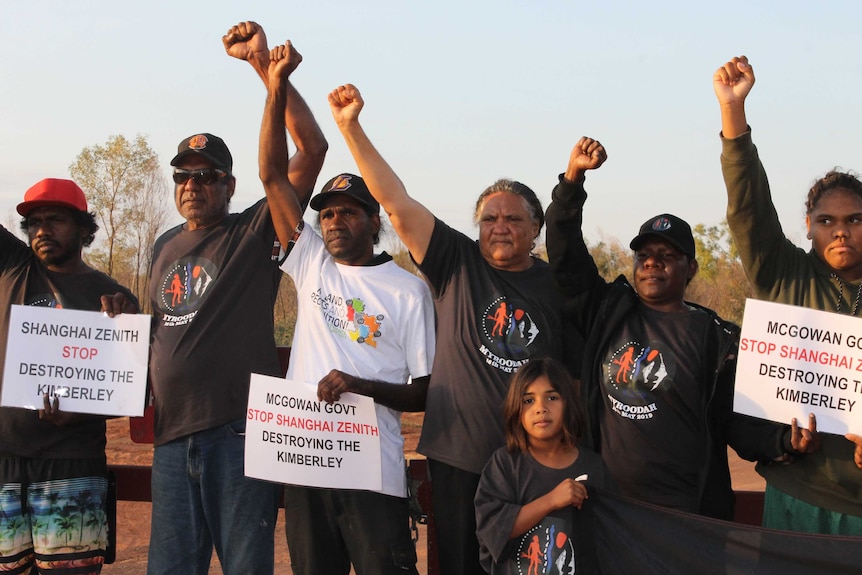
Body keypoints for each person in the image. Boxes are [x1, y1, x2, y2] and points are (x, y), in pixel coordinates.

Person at [328, 84, 566, 574]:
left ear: (536, 228)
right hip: (461, 456)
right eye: (489, 218)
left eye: (513, 219)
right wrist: (351, 127)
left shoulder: (557, 286)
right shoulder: (455, 260)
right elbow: (393, 201)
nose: (499, 226)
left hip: (533, 457)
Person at [544, 137, 815, 520]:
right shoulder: (606, 313)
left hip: (689, 518)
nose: (653, 263)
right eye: (645, 255)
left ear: (690, 269)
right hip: (608, 510)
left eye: (667, 256)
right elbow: (565, 253)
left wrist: (784, 439)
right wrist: (572, 181)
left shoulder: (717, 337)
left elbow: (735, 418)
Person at [145, 22, 327, 575]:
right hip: (172, 440)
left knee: (247, 567)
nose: (192, 185)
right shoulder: (162, 246)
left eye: (207, 176)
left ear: (229, 186)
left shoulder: (254, 232)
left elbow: (312, 148)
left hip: (237, 434)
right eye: (184, 176)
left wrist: (262, 66)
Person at [258, 42, 436, 575]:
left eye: (349, 213)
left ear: (373, 221)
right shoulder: (311, 261)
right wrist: (274, 88)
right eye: (328, 213)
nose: (335, 221)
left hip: (370, 473)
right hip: (305, 461)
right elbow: (270, 175)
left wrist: (359, 386)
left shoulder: (408, 290)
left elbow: (422, 392)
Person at [714, 55, 862, 534]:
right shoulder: (786, 275)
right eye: (827, 222)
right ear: (808, 226)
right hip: (797, 495)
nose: (841, 233)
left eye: (854, 221)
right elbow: (749, 208)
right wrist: (733, 112)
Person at [0, 178, 138, 573]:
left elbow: (127, 391)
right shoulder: (13, 264)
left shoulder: (113, 298)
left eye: (56, 220)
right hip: (4, 460)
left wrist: (78, 412)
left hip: (71, 465)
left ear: (84, 227)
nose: (42, 230)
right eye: (35, 222)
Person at [474, 358, 612, 575]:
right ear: (515, 410)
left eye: (552, 397)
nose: (541, 408)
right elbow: (494, 530)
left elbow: (611, 538)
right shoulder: (505, 465)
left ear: (569, 404)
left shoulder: (592, 466)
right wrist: (551, 500)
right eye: (528, 400)